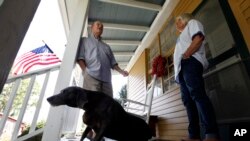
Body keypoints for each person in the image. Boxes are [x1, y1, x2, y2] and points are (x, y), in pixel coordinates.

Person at [173, 13, 219, 141]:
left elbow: (198, 38)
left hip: (190, 61)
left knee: (197, 95)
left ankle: (211, 134)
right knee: (188, 102)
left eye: (179, 20)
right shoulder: (180, 36)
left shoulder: (193, 23)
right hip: (182, 69)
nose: (177, 24)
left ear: (186, 19)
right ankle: (194, 136)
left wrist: (187, 54)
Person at [77, 20, 129, 98]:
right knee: (93, 104)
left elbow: (113, 62)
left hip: (107, 80)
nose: (100, 26)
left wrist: (121, 72)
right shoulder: (84, 41)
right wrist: (85, 72)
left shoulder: (107, 46)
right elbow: (80, 58)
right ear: (92, 27)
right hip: (91, 77)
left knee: (108, 104)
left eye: (102, 26)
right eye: (98, 24)